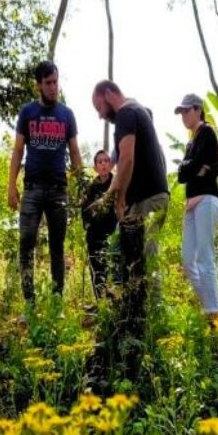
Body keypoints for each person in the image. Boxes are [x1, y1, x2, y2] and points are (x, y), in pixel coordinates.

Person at [90, 80, 169, 381]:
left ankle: (153, 326)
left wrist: (117, 197)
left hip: (146, 199)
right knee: (135, 260)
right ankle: (139, 318)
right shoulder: (137, 110)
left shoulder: (125, 113)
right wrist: (107, 198)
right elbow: (123, 164)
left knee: (145, 262)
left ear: (110, 95)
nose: (100, 115)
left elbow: (128, 158)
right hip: (150, 197)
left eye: (99, 107)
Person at [8, 61, 83, 302]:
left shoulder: (66, 114)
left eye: (55, 82)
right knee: (26, 243)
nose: (53, 87)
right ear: (38, 85)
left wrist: (81, 186)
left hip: (58, 190)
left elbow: (74, 152)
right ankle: (29, 303)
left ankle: (56, 302)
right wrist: (11, 186)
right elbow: (18, 150)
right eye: (48, 83)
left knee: (57, 247)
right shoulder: (27, 113)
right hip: (31, 189)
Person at [175, 94, 218, 316]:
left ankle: (213, 310)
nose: (183, 116)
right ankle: (209, 306)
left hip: (206, 200)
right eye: (181, 112)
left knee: (205, 256)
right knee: (187, 260)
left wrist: (195, 167)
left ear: (198, 110)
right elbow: (182, 175)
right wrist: (195, 166)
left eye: (186, 111)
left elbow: (210, 166)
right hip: (191, 204)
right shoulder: (191, 141)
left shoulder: (207, 132)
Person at [81, 150, 117, 301]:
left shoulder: (116, 183)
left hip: (112, 233)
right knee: (96, 268)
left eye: (106, 161)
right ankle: (100, 302)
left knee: (114, 267)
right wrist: (88, 225)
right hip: (94, 234)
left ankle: (114, 301)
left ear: (110, 164)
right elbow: (85, 210)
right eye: (99, 162)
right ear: (95, 167)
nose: (103, 164)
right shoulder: (91, 187)